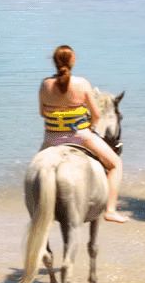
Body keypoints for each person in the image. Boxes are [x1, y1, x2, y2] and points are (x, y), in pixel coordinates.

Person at [40, 45, 125, 223]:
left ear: (54, 61)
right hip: (80, 136)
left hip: (51, 139)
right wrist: (90, 127)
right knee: (116, 164)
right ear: (73, 61)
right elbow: (96, 115)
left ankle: (37, 210)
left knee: (37, 170)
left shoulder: (45, 84)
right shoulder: (82, 84)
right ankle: (110, 210)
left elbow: (42, 112)